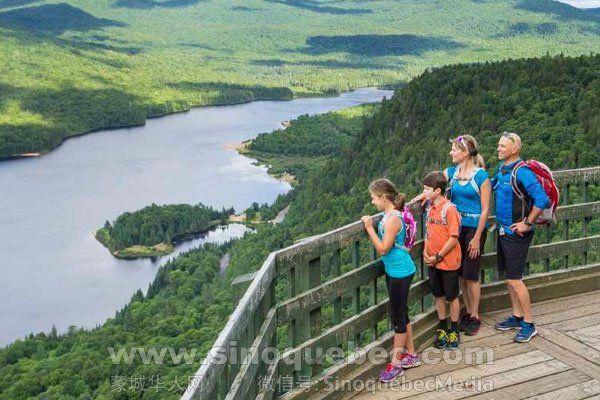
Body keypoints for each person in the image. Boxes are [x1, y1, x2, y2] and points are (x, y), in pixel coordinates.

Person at [492, 132, 550, 343]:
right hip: (503, 231)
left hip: (517, 234)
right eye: (498, 145)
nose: (498, 148)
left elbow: (541, 198)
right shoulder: (502, 169)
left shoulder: (521, 172)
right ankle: (517, 317)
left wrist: (527, 223)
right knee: (509, 278)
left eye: (502, 146)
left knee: (516, 280)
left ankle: (528, 323)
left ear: (514, 149)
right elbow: (491, 185)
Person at [361, 179, 421, 382]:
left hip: (400, 272)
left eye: (374, 198)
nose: (372, 202)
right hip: (396, 270)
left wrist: (369, 228)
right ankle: (411, 355)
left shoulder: (393, 219)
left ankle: (395, 364)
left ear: (384, 198)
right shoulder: (390, 214)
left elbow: (384, 248)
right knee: (402, 313)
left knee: (398, 318)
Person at [444, 135, 491, 336]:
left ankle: (475, 315)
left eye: (454, 149)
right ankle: (468, 309)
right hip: (457, 228)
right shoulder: (452, 172)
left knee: (471, 275)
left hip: (473, 228)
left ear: (464, 153)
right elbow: (433, 184)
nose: (451, 153)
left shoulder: (481, 176)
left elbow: (485, 210)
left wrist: (476, 237)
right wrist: (420, 197)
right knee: (460, 272)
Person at [421, 171, 462, 349]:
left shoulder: (449, 209)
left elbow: (453, 238)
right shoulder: (430, 208)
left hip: (448, 261)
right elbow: (428, 233)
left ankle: (454, 329)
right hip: (433, 260)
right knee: (438, 294)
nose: (424, 192)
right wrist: (425, 251)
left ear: (437, 191)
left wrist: (437, 257)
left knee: (452, 296)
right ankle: (442, 327)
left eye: (427, 189)